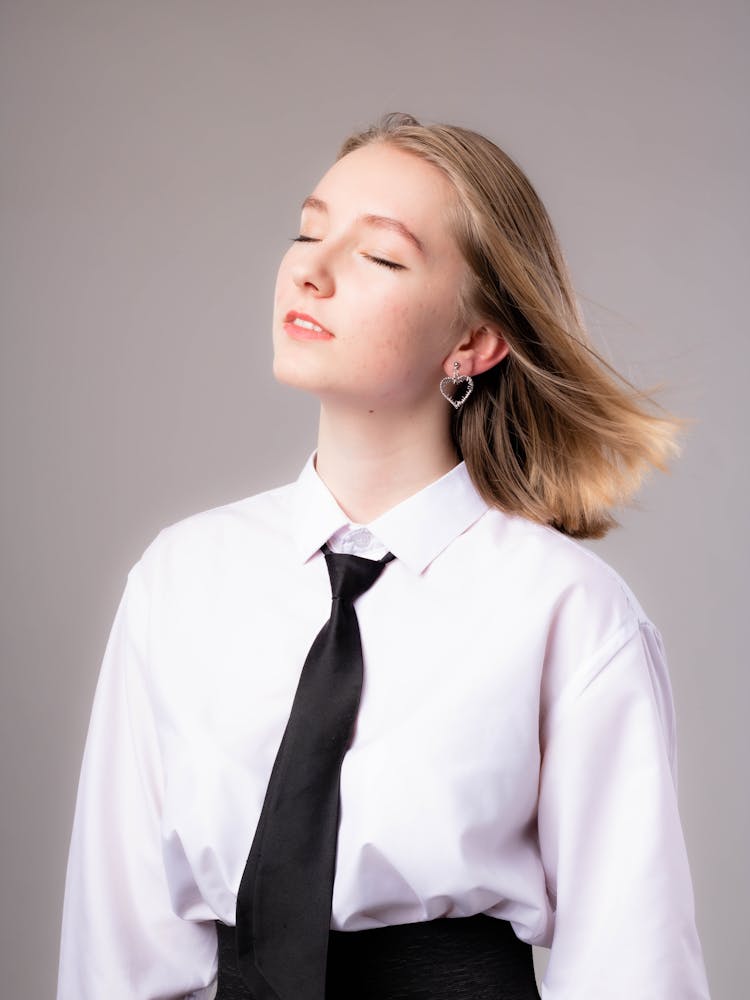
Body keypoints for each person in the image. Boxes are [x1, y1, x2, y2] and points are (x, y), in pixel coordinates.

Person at [57, 112, 712, 999]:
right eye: (308, 230)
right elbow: (119, 952)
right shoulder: (181, 580)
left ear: (474, 342)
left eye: (381, 256)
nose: (309, 270)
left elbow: (632, 967)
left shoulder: (567, 612)